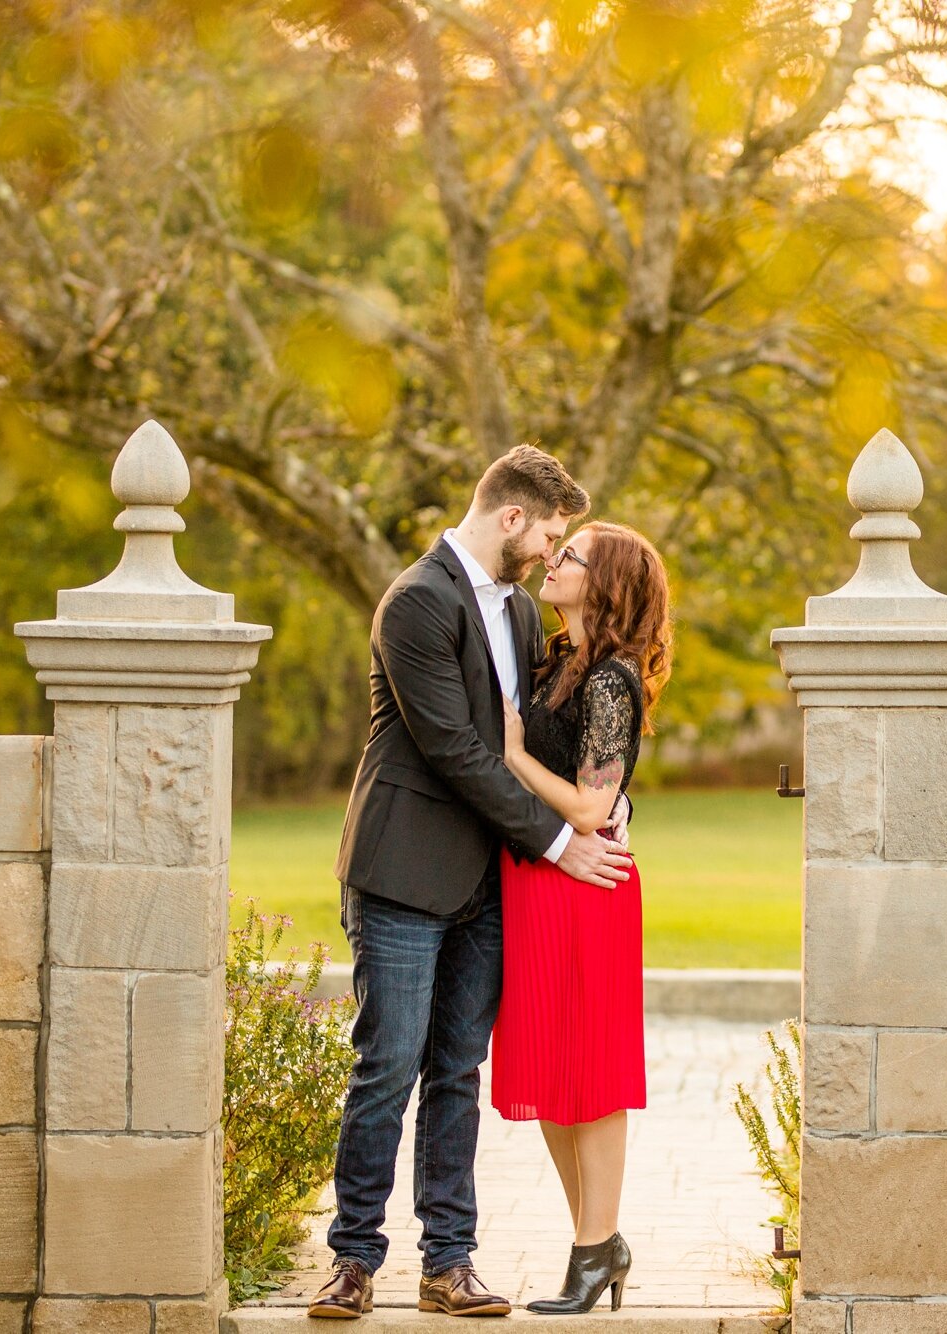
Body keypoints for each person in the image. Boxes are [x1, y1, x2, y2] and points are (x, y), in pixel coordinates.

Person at [309, 446, 634, 1321]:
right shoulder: (416, 601)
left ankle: (448, 1264)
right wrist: (563, 841)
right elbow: (457, 749)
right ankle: (352, 1261)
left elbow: (542, 739)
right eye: (550, 533)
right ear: (513, 517)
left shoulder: (523, 614)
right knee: (388, 1066)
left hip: (489, 885)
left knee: (457, 1072)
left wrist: (606, 804)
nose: (550, 550)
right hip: (405, 873)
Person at [492, 521, 671, 1316]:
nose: (554, 561)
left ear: (608, 584)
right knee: (546, 1072)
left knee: (590, 1077)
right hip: (535, 879)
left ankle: (592, 1249)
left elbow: (595, 807)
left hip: (586, 884)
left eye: (573, 555)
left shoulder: (611, 680)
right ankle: (599, 1243)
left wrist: (514, 756)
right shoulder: (561, 658)